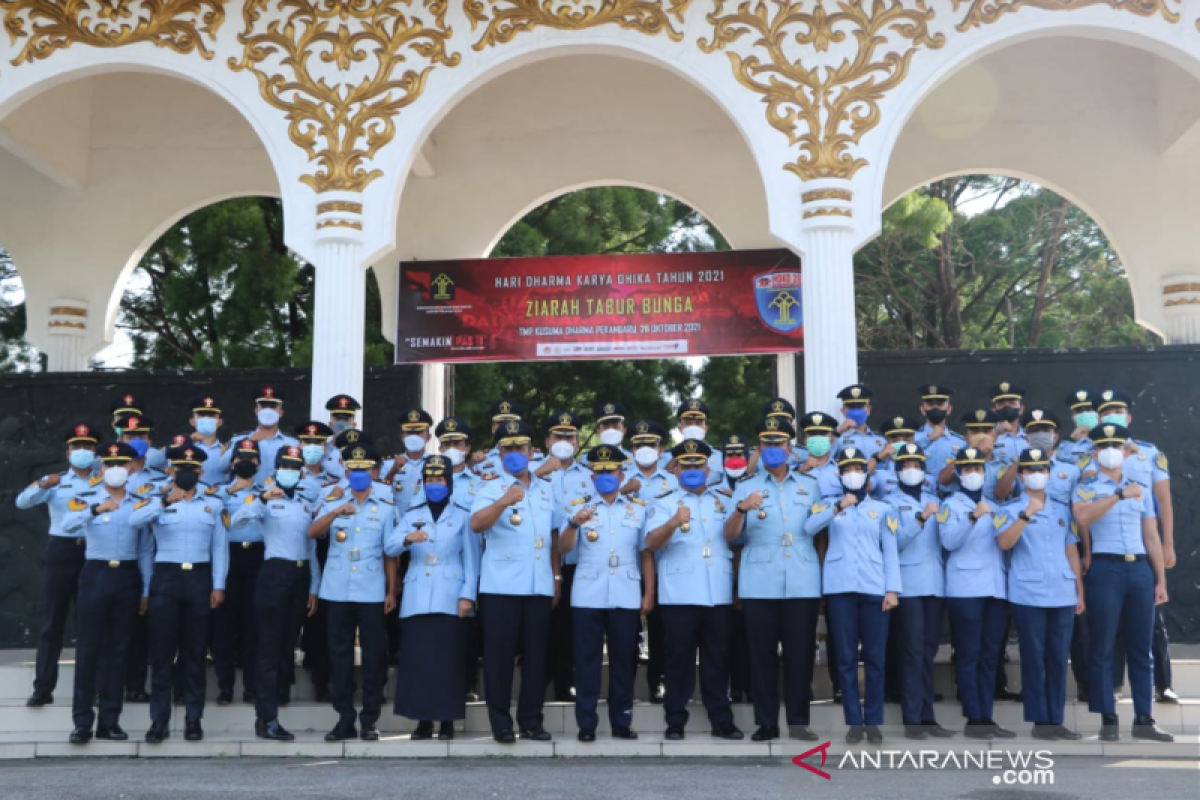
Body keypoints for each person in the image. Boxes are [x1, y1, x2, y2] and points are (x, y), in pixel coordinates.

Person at [1072, 424, 1173, 742]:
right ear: (1095, 452)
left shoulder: (1138, 486)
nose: (1111, 450)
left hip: (1140, 570)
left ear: (1127, 450)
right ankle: (1108, 718)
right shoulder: (1086, 486)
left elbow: (1151, 535)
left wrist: (1161, 579)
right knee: (1102, 647)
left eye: (1117, 444)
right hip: (1105, 569)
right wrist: (1117, 495)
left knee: (1142, 648)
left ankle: (1144, 718)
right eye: (1104, 445)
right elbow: (1083, 517)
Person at [724, 417, 821, 742]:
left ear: (791, 449)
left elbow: (820, 534)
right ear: (760, 449)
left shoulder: (811, 485)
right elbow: (730, 537)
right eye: (767, 444)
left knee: (800, 654)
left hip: (802, 580)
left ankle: (798, 721)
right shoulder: (745, 486)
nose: (773, 450)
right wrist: (741, 509)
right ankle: (766, 722)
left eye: (779, 444)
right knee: (761, 656)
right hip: (759, 582)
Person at [645, 440, 743, 741]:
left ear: (707, 468)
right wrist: (673, 522)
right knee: (679, 660)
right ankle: (675, 720)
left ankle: (721, 720)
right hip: (680, 593)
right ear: (675, 470)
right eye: (685, 465)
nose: (692, 470)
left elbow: (737, 543)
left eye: (697, 465)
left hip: (719, 592)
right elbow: (650, 543)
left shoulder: (725, 500)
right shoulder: (663, 502)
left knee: (718, 658)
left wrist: (739, 586)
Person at [130, 444, 228, 744]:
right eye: (179, 468)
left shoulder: (212, 505)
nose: (185, 473)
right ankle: (158, 721)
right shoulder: (155, 501)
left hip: (199, 578)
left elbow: (220, 548)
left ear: (200, 472)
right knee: (161, 654)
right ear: (170, 470)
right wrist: (162, 500)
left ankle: (193, 719)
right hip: (166, 578)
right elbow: (135, 524)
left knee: (195, 653)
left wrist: (218, 584)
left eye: (191, 469)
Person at [469, 420, 558, 744]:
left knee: (537, 659)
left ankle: (532, 722)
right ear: (500, 453)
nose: (515, 454)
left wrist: (557, 576)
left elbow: (553, 536)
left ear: (532, 451)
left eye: (520, 447)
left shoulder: (547, 488)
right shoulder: (490, 486)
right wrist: (504, 500)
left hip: (538, 586)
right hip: (501, 587)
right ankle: (501, 724)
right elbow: (477, 524)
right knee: (499, 659)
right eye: (508, 448)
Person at [557, 446, 654, 742]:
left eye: (610, 471)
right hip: (588, 592)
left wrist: (649, 593)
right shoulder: (578, 506)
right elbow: (563, 549)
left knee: (624, 660)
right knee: (586, 661)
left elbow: (646, 552)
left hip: (625, 591)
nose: (605, 476)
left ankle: (621, 721)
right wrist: (574, 524)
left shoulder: (637, 507)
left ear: (621, 474)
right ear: (592, 475)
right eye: (599, 471)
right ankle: (587, 724)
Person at [806, 447, 901, 744]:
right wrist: (837, 507)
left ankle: (873, 721)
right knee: (846, 659)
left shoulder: (884, 509)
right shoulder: (827, 506)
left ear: (866, 473)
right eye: (847, 470)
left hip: (875, 589)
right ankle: (853, 721)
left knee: (875, 658)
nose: (853, 474)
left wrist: (892, 589)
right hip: (840, 589)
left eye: (858, 469)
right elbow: (808, 527)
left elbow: (890, 550)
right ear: (839, 474)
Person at [62, 442, 153, 744]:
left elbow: (144, 550)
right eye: (109, 464)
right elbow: (68, 523)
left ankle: (110, 720)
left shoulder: (139, 502)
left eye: (121, 464)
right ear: (101, 469)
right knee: (89, 650)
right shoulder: (85, 498)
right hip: (96, 573)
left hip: (127, 576)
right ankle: (82, 722)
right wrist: (96, 508)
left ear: (129, 468)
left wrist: (145, 588)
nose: (115, 469)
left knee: (118, 650)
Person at [1092, 389, 1178, 704]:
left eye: (1119, 410)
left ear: (1129, 417)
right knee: (1110, 621)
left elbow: (1164, 499)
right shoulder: (1093, 452)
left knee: (1153, 620)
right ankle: (1113, 684)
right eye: (1107, 411)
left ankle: (1163, 683)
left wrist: (1168, 543)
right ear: (1099, 419)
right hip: (1106, 544)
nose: (1114, 415)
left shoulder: (1149, 453)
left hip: (1146, 540)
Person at [387, 455, 481, 740]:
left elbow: (472, 560)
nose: (434, 485)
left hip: (451, 595)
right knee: (419, 662)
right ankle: (423, 720)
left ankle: (448, 720)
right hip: (417, 595)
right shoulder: (412, 514)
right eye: (430, 480)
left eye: (440, 480)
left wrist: (468, 596)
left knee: (448, 662)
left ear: (449, 483)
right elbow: (389, 547)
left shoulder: (463, 515)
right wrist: (407, 539)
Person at [308, 444, 397, 742]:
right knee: (340, 656)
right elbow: (312, 532)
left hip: (372, 590)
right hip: (336, 590)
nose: (359, 474)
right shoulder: (332, 499)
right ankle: (344, 718)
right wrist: (335, 511)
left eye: (365, 469)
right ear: (346, 472)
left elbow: (389, 554)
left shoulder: (386, 506)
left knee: (373, 656)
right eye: (353, 469)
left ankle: (369, 719)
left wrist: (391, 590)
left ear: (374, 472)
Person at [231, 446, 320, 742]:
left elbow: (311, 549)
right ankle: (266, 717)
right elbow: (238, 522)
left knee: (286, 647)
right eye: (285, 466)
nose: (290, 471)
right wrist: (259, 498)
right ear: (276, 468)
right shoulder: (266, 496)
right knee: (268, 648)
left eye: (295, 467)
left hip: (300, 575)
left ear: (301, 471)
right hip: (274, 573)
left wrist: (314, 587)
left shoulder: (306, 503)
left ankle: (275, 706)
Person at [996, 448, 1084, 741]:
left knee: (1058, 657)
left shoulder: (1061, 509)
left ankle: (1055, 719)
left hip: (1061, 590)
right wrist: (1024, 514)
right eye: (1030, 469)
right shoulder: (1009, 509)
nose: (1037, 474)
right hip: (1027, 593)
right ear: (1021, 475)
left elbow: (1071, 549)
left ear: (1048, 473)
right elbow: (1004, 543)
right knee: (1034, 657)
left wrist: (1078, 591)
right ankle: (1039, 720)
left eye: (1042, 469)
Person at [17, 423, 102, 707]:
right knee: (53, 622)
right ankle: (43, 687)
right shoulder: (56, 481)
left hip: (94, 551)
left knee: (90, 623)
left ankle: (93, 688)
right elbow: (22, 503)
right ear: (67, 452)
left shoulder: (103, 481)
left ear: (95, 452)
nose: (82, 452)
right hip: (62, 551)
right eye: (77, 447)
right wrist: (43, 484)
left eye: (88, 447)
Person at [938, 446, 1013, 740]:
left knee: (990, 655)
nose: (973, 474)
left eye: (978, 469)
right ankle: (974, 717)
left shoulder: (994, 505)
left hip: (995, 588)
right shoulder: (950, 506)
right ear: (958, 473)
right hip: (965, 589)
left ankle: (987, 715)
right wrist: (971, 518)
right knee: (969, 654)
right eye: (967, 469)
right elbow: (948, 542)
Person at [880, 442, 954, 740]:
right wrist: (921, 518)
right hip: (908, 585)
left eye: (917, 465)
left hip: (934, 585)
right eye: (906, 465)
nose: (912, 470)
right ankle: (913, 719)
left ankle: (928, 716)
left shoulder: (936, 500)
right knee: (911, 652)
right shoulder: (889, 504)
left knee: (928, 652)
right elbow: (893, 544)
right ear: (897, 471)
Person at [538, 410, 590, 702]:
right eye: (558, 436)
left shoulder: (590, 475)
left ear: (577, 441)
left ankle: (565, 681)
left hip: (577, 562)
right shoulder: (533, 472)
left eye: (569, 436)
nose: (564, 441)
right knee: (540, 625)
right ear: (548, 441)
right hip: (539, 561)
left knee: (570, 625)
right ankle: (538, 680)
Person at [623, 419, 675, 704]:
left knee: (659, 628)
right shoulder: (618, 477)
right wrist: (622, 490)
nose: (645, 449)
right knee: (626, 629)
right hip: (624, 563)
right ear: (630, 449)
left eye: (650, 444)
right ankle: (625, 686)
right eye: (639, 444)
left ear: (660, 448)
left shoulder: (673, 480)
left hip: (661, 560)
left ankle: (658, 681)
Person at [210, 439, 264, 706]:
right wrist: (232, 490)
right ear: (232, 464)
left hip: (256, 558)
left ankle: (252, 688)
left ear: (259, 464)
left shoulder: (267, 491)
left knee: (253, 627)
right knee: (223, 627)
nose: (246, 462)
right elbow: (209, 513)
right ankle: (225, 687)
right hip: (226, 558)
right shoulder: (219, 491)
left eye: (251, 459)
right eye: (240, 458)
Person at [220, 386, 299, 484]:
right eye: (264, 406)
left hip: (278, 495)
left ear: (281, 412)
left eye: (273, 406)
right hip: (247, 495)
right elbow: (222, 468)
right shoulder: (239, 440)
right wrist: (246, 442)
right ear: (256, 411)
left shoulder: (293, 443)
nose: (268, 410)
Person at [914, 385, 966, 496]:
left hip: (952, 498)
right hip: (922, 497)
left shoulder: (960, 442)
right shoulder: (913, 438)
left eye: (940, 404)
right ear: (923, 410)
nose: (935, 408)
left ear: (949, 409)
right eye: (930, 404)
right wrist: (928, 439)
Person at [386, 408, 433, 515]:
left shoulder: (435, 464)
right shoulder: (388, 464)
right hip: (396, 525)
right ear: (402, 437)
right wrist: (393, 471)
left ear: (428, 437)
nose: (414, 437)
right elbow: (379, 493)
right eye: (409, 433)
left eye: (418, 432)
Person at [184, 395, 230, 486]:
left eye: (211, 415)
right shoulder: (182, 449)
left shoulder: (227, 450)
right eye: (201, 415)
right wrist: (187, 443)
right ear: (192, 421)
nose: (206, 419)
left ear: (220, 422)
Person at [835, 384, 886, 459]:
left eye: (860, 407)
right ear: (843, 411)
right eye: (851, 407)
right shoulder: (837, 439)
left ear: (868, 410)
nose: (856, 411)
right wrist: (837, 432)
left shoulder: (881, 440)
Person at [989, 382, 1028, 464]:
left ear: (1021, 409)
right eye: (1001, 404)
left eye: (1011, 403)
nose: (1006, 407)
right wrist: (996, 434)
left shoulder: (1029, 437)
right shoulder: (988, 437)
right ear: (994, 410)